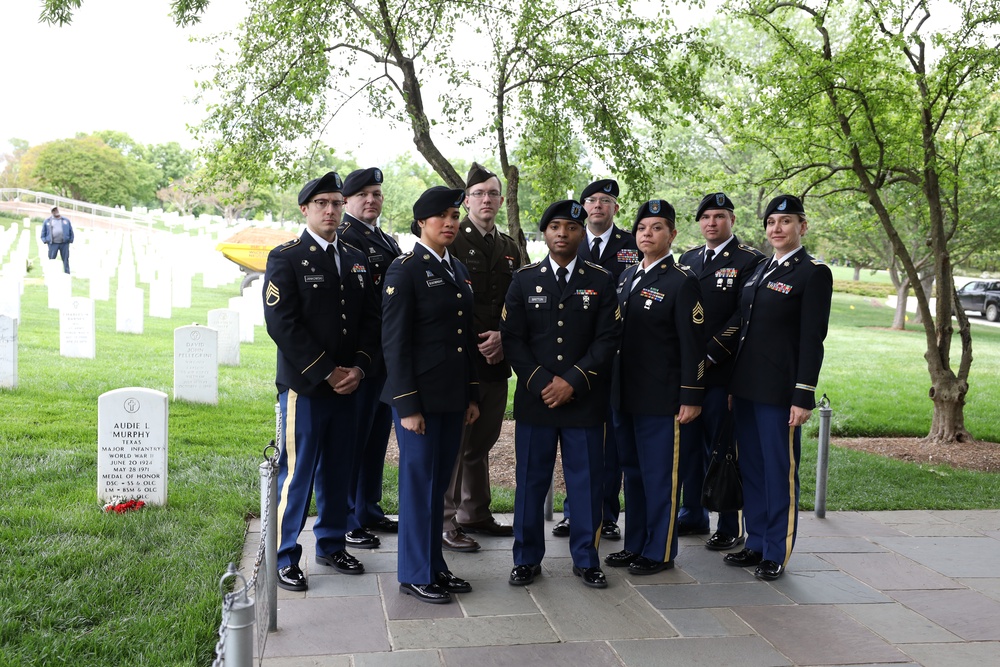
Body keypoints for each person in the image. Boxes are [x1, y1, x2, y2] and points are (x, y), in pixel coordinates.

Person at [262, 171, 381, 592]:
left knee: (338, 469)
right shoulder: (287, 257)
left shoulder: (354, 257)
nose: (330, 210)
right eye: (321, 204)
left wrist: (359, 369)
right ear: (305, 210)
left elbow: (370, 321)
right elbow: (282, 324)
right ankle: (283, 554)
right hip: (306, 388)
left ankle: (331, 544)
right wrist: (327, 371)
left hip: (349, 386)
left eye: (335, 203)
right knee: (297, 475)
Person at [501, 199, 622, 589]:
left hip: (584, 399)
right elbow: (513, 339)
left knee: (587, 483)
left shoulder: (601, 280)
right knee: (530, 483)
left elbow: (607, 339)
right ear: (545, 233)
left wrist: (572, 379)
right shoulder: (524, 279)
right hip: (536, 401)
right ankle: (525, 559)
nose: (562, 234)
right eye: (554, 227)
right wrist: (541, 382)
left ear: (580, 232)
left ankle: (586, 559)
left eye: (570, 227)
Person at [719, 194, 833, 581]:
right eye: (771, 223)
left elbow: (812, 338)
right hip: (748, 387)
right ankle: (754, 542)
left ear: (802, 226)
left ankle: (776, 551)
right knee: (751, 468)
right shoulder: (762, 268)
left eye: (785, 222)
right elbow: (747, 331)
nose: (776, 229)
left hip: (780, 392)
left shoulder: (813, 273)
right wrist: (735, 384)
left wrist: (803, 394)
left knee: (778, 470)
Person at [381, 185, 481, 604]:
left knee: (438, 488)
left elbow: (465, 340)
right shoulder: (404, 269)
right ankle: (414, 572)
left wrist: (471, 396)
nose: (451, 223)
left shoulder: (456, 269)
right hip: (419, 402)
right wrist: (406, 405)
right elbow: (395, 341)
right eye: (442, 217)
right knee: (419, 488)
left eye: (455, 216)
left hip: (450, 399)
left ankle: (435, 566)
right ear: (422, 222)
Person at [606, 199, 705, 575]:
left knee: (660, 477)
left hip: (662, 398)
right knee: (632, 473)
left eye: (657, 228)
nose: (648, 234)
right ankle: (636, 545)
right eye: (643, 228)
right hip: (625, 394)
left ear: (673, 234)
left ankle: (661, 551)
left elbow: (693, 344)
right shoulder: (628, 276)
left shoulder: (682, 281)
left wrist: (691, 396)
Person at [676, 193, 766, 550]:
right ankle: (693, 512)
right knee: (689, 447)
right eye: (706, 217)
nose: (711, 223)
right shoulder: (688, 259)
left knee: (722, 448)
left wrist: (711, 352)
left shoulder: (749, 260)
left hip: (721, 370)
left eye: (719, 216)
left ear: (732, 221)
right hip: (688, 374)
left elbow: (744, 314)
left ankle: (729, 523)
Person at [442, 162, 521, 553]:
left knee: (483, 438)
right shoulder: (451, 239)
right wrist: (479, 340)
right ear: (467, 200)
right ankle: (446, 521)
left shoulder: (509, 247)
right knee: (456, 442)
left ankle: (476, 512)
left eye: (492, 193)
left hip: (497, 359)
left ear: (501, 199)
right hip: (461, 360)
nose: (486, 199)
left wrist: (504, 338)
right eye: (478, 194)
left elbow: (519, 302)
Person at [553, 178, 638, 541]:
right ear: (583, 207)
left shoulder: (633, 243)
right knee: (580, 438)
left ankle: (607, 513)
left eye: (606, 201)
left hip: (624, 355)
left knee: (613, 441)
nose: (598, 206)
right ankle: (574, 514)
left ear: (615, 208)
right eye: (592, 200)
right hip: (580, 359)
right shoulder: (571, 240)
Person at [339, 167, 403, 547]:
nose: (371, 200)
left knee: (377, 437)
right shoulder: (345, 238)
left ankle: (368, 508)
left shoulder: (387, 240)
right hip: (359, 359)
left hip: (386, 358)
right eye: (363, 194)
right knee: (353, 440)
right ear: (347, 200)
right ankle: (346, 516)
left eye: (376, 193)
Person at [40, 207, 74, 274]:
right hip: (53, 243)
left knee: (65, 259)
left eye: (56, 210)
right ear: (52, 212)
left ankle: (67, 273)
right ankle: (51, 273)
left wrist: (70, 239)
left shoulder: (66, 220)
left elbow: (70, 231)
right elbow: (43, 232)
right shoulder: (47, 221)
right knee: (52, 259)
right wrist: (45, 240)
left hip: (64, 243)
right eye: (53, 210)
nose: (55, 211)